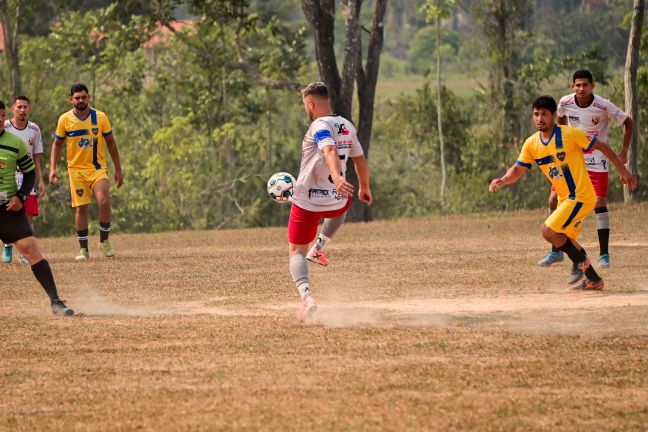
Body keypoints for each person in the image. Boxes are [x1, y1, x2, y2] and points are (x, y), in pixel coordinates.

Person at [489, 96, 636, 290]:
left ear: (554, 115)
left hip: (581, 196)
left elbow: (601, 145)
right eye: (536, 114)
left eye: (544, 114)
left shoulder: (569, 134)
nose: (539, 118)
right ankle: (594, 279)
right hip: (565, 199)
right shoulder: (531, 144)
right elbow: (517, 169)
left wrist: (623, 170)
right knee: (567, 241)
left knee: (548, 230)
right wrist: (503, 180)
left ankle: (581, 261)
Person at [288, 82, 372, 321]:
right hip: (336, 200)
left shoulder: (319, 125)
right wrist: (364, 187)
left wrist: (335, 177)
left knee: (295, 251)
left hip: (307, 201)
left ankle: (307, 299)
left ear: (310, 103)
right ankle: (320, 248)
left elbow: (329, 151)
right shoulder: (346, 125)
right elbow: (360, 160)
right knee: (343, 204)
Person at [538, 69, 632, 269]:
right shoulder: (564, 102)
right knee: (554, 199)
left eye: (585, 85)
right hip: (572, 159)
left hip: (597, 158)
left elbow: (628, 122)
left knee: (599, 201)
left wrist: (624, 152)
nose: (581, 89)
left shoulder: (602, 105)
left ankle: (604, 254)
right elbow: (561, 121)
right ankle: (555, 252)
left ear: (592, 86)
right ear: (573, 86)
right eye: (577, 85)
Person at [0, 100, 74, 316]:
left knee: (31, 249)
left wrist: (21, 197)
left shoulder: (15, 142)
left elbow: (30, 173)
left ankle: (56, 302)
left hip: (9, 210)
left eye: (1, 116)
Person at [50, 83, 123, 261]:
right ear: (71, 100)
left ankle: (104, 241)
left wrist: (118, 170)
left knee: (104, 200)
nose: (80, 100)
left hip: (97, 168)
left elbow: (111, 143)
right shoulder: (65, 120)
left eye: (84, 97)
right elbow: (57, 144)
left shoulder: (100, 117)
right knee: (82, 208)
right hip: (76, 170)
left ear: (89, 98)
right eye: (77, 98)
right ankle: (84, 250)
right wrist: (52, 168)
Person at [3, 96, 46, 265]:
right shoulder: (4, 127)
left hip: (26, 177)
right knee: (7, 212)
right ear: (13, 108)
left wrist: (41, 180)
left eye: (25, 107)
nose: (22, 110)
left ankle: (25, 252)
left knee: (28, 214)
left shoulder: (34, 130)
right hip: (8, 176)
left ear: (29, 109)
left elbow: (36, 158)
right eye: (19, 107)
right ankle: (7, 245)